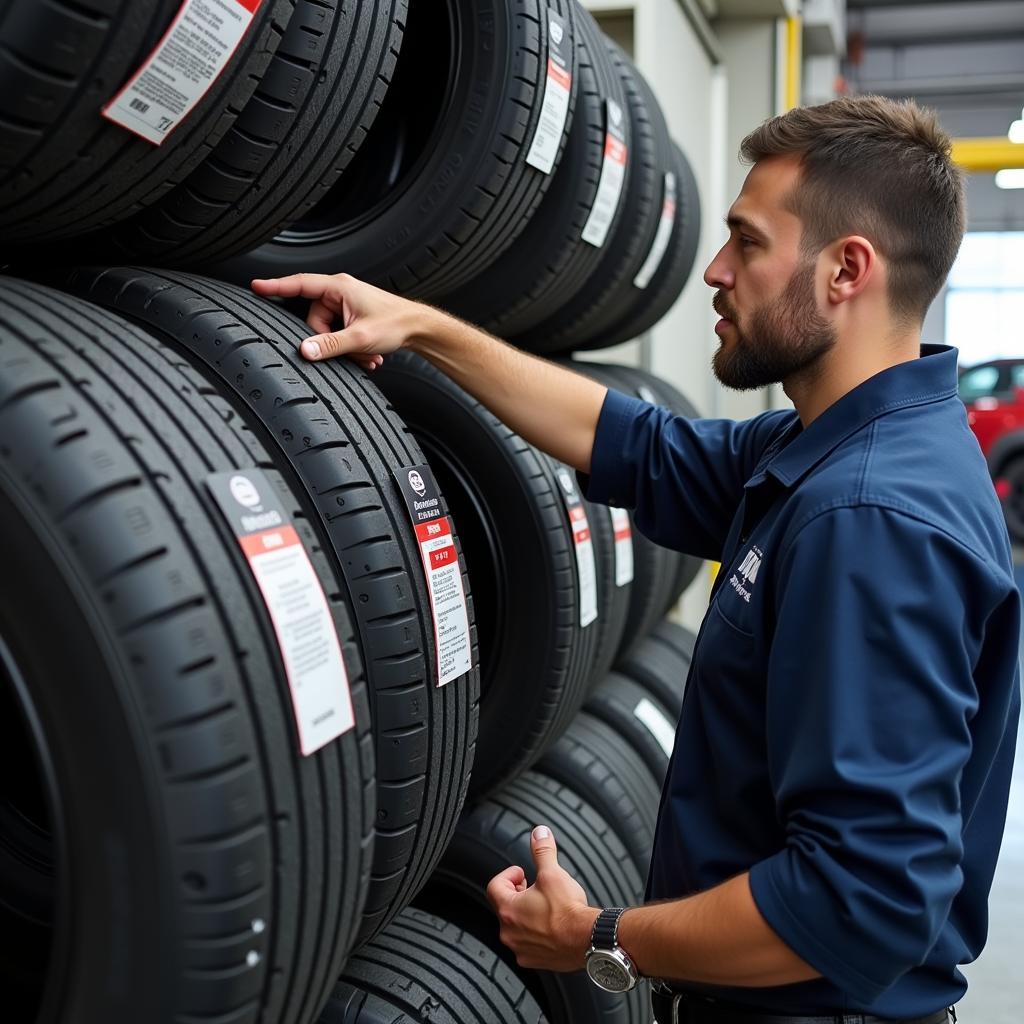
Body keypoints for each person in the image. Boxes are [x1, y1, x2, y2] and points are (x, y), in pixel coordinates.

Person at [252, 95, 1021, 1024]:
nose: (715, 270)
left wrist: (600, 937)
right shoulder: (833, 451)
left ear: (844, 270)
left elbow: (861, 903)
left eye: (747, 242)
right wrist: (421, 327)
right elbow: (632, 443)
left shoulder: (868, 518)